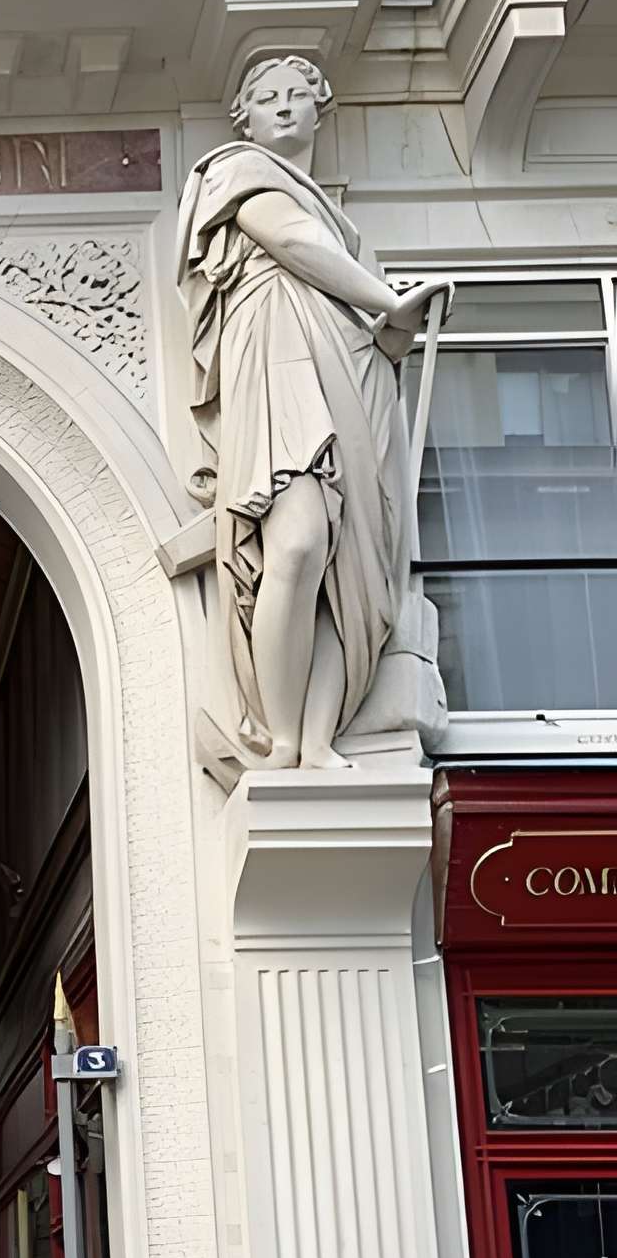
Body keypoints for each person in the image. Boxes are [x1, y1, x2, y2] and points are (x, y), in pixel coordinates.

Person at [176, 54, 451, 770]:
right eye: (267, 97)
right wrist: (389, 299)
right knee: (295, 542)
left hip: (346, 375)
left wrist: (401, 325)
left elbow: (373, 338)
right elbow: (292, 243)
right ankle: (282, 738)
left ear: (320, 108)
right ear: (243, 119)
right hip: (279, 359)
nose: (284, 106)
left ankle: (318, 739)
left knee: (344, 570)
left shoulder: (346, 241)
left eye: (298, 94)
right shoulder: (236, 171)